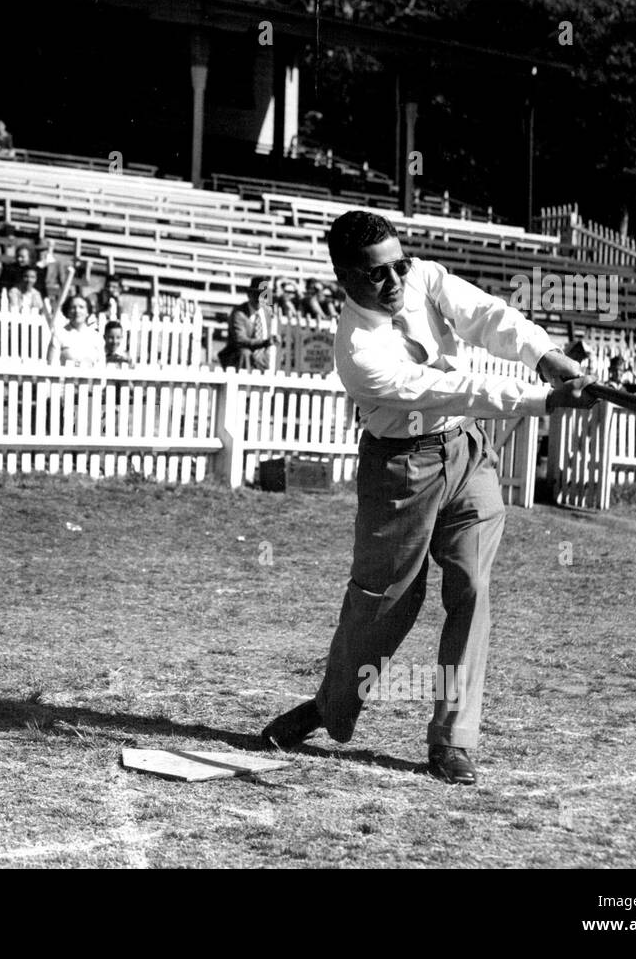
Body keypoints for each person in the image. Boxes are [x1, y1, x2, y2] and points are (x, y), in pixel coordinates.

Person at [259, 211, 597, 785]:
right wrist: (544, 400)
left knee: (471, 585)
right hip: (400, 469)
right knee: (384, 602)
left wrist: (545, 356)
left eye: (400, 265)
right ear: (344, 278)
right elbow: (451, 388)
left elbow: (487, 316)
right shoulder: (358, 351)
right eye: (376, 276)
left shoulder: (422, 277)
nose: (395, 283)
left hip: (466, 452)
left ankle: (452, 740)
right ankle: (332, 707)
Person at [219, 276, 277, 371]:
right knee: (244, 353)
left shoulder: (267, 313)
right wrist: (264, 343)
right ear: (249, 294)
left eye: (263, 295)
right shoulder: (239, 313)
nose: (259, 299)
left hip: (263, 357)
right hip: (239, 357)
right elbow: (240, 340)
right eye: (256, 294)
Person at [47, 295, 104, 366]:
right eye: (73, 307)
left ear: (87, 312)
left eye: (81, 307)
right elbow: (51, 366)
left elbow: (101, 365)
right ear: (67, 311)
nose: (77, 311)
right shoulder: (59, 335)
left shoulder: (96, 337)